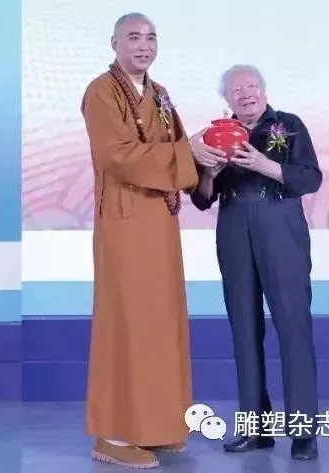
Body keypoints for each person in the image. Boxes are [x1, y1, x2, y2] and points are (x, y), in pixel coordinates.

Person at [79, 12, 199, 469]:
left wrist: (210, 155)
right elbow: (118, 154)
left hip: (160, 220)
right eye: (133, 37)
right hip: (126, 218)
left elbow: (181, 149)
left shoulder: (160, 93)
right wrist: (189, 153)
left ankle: (157, 425)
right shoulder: (101, 91)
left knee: (160, 320)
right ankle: (113, 433)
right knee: (126, 320)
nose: (144, 45)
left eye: (150, 37)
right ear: (114, 43)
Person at [189, 64, 322, 461]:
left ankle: (303, 431)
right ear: (227, 99)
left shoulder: (289, 125)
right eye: (236, 90)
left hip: (280, 223)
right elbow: (202, 198)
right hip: (233, 226)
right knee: (243, 328)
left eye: (251, 86)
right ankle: (255, 428)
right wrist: (209, 172)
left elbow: (311, 178)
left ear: (263, 90)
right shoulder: (216, 135)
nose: (245, 93)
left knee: (293, 324)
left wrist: (265, 165)